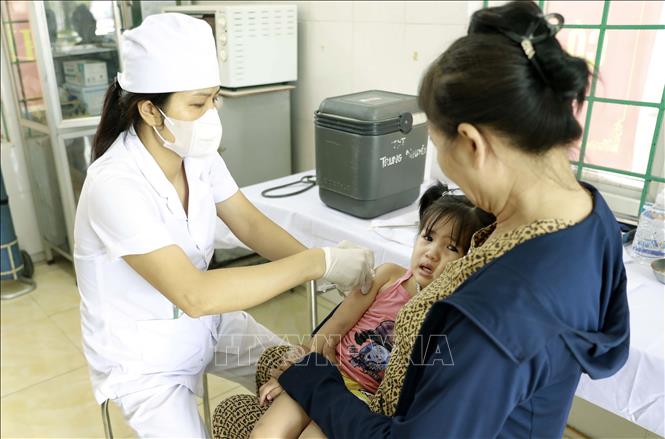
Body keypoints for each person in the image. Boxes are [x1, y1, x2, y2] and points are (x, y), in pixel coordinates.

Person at [215, 2, 630, 438]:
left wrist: (312, 379)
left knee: (246, 414)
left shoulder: (499, 315)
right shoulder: (587, 213)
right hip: (415, 408)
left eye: (436, 145)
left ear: (472, 143)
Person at [72, 13, 375, 438]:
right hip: (146, 360)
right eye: (197, 103)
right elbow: (194, 294)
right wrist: (316, 264)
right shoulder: (114, 184)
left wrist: (333, 269)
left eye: (214, 99)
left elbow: (249, 223)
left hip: (209, 327)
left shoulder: (197, 156)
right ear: (149, 110)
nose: (211, 113)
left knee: (306, 374)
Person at [250, 184, 495, 438]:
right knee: (265, 433)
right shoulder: (388, 276)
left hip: (362, 403)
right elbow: (333, 327)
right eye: (428, 237)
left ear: (469, 261)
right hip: (326, 372)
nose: (432, 253)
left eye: (452, 247)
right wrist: (293, 373)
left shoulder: (448, 317)